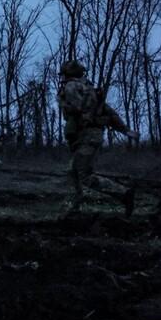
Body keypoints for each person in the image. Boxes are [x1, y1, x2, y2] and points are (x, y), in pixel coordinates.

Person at [57, 59, 140, 216]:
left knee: (83, 175)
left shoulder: (72, 87)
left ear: (68, 74)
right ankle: (72, 209)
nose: (62, 78)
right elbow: (108, 112)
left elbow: (77, 107)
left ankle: (124, 193)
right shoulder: (90, 90)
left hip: (87, 135)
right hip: (90, 136)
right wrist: (125, 130)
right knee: (72, 172)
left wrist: (63, 101)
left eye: (64, 75)